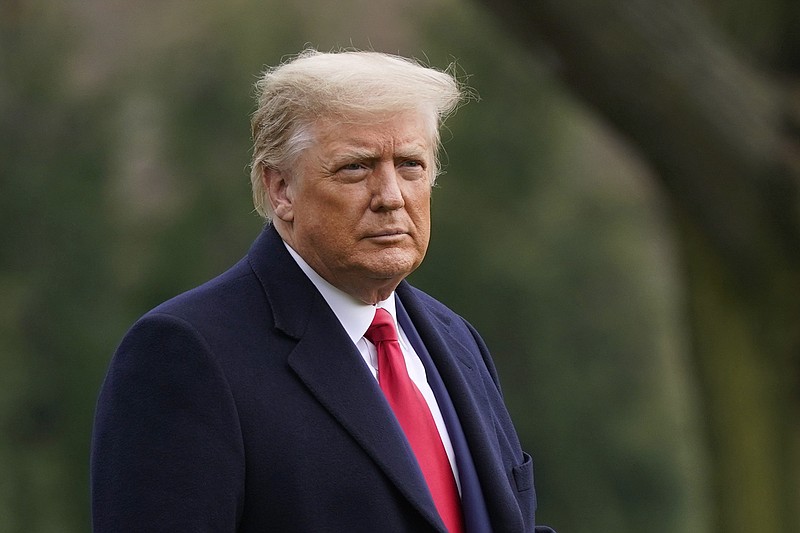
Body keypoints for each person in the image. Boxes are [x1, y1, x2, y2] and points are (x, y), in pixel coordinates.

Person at [91, 49, 556, 533]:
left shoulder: (456, 340)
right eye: (357, 167)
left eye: (411, 166)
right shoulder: (184, 353)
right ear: (281, 190)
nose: (392, 196)